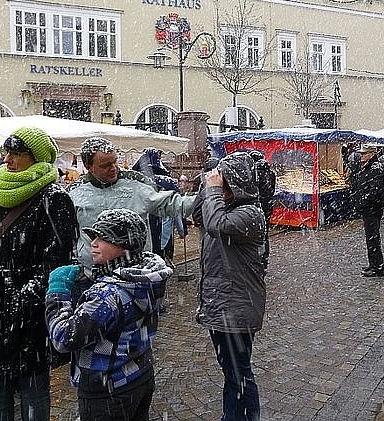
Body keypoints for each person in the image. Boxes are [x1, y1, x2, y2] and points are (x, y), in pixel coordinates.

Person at [0, 127, 78, 421]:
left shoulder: (54, 199)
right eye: (6, 152)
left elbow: (58, 259)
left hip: (29, 315)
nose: (7, 159)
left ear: (38, 158)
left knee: (33, 391)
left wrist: (25, 296)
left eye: (17, 153)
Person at [45, 208, 172, 421]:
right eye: (94, 237)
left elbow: (64, 338)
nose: (93, 243)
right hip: (138, 375)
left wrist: (57, 293)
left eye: (103, 238)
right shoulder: (146, 276)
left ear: (124, 247)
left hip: (106, 390)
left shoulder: (107, 295)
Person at [67, 137, 195, 291]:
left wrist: (205, 198)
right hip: (90, 276)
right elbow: (67, 235)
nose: (113, 168)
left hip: (135, 276)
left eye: (115, 161)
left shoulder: (135, 183)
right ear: (88, 166)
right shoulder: (74, 192)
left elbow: (170, 204)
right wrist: (76, 266)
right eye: (105, 165)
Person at [196, 151, 266, 421]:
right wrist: (207, 186)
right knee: (232, 373)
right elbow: (199, 216)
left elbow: (215, 225)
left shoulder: (250, 214)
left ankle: (246, 417)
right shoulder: (223, 208)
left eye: (224, 184)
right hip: (223, 303)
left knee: (239, 374)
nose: (220, 190)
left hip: (236, 307)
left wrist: (213, 190)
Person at [349, 144, 384, 277]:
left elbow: (375, 191)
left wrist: (363, 202)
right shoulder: (368, 167)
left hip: (372, 209)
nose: (361, 156)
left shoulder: (375, 168)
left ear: (371, 154)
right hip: (369, 209)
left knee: (373, 239)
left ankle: (377, 268)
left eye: (364, 153)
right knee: (371, 239)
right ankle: (373, 264)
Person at [249, 149, 277, 270]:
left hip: (257, 207)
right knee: (265, 235)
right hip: (267, 206)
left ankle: (258, 260)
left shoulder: (254, 174)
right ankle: (264, 259)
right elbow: (272, 190)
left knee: (256, 235)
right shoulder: (271, 173)